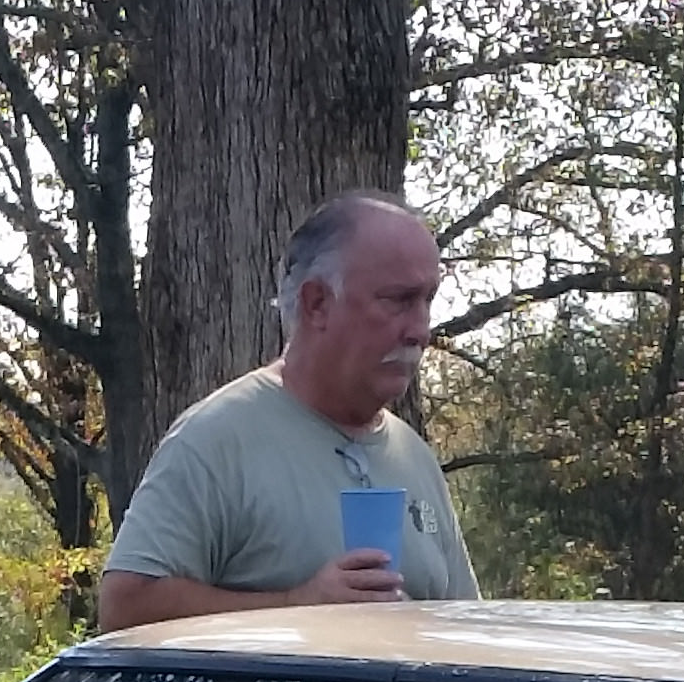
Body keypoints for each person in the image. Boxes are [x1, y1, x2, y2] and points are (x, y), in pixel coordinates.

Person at [98, 193, 482, 630]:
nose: (420, 331)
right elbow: (124, 609)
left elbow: (464, 631)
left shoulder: (414, 457)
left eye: (427, 301)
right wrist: (296, 606)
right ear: (317, 303)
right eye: (398, 300)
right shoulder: (216, 441)